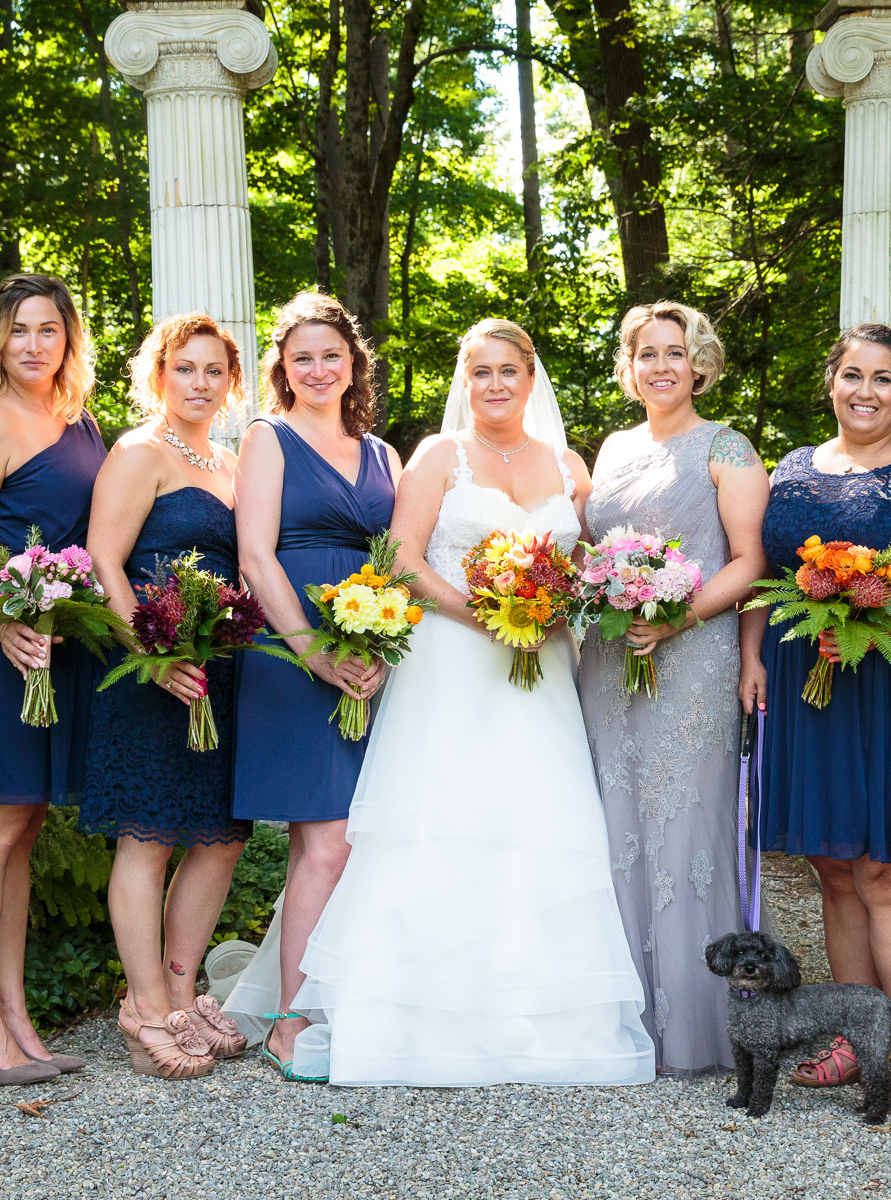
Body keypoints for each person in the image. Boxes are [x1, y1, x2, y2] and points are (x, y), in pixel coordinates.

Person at [288, 318, 654, 1087]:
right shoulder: (439, 456)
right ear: (466, 381)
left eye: (508, 371)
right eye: (480, 372)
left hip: (541, 665)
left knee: (535, 815)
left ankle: (540, 1013)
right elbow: (402, 557)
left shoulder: (568, 465)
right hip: (453, 662)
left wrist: (552, 607)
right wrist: (485, 614)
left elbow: (585, 564)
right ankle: (411, 1014)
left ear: (531, 376)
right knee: (444, 813)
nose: (494, 385)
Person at [737, 324, 891, 1121]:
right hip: (810, 682)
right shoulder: (792, 468)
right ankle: (853, 1037)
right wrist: (754, 656)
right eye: (852, 375)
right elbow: (766, 575)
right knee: (836, 869)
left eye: (883, 378)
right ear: (832, 381)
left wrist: (876, 616)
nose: (865, 391)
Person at [579, 301, 769, 1076]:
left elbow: (750, 560)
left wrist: (677, 619)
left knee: (688, 826)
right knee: (611, 820)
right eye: (646, 353)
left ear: (700, 364)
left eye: (675, 352)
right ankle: (619, 1019)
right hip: (611, 657)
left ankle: (699, 1025)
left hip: (692, 655)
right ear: (629, 368)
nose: (661, 365)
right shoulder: (613, 447)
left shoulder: (728, 447)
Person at [0, 274, 105, 1085]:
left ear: (69, 337)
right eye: (18, 331)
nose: (33, 345)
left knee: (26, 827)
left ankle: (14, 1012)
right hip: (3, 647)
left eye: (48, 329)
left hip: (58, 647)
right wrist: (1, 621)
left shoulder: (81, 422)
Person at [219, 294, 397, 1082]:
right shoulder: (270, 437)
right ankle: (293, 1023)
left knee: (349, 841)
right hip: (291, 652)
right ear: (283, 371)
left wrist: (386, 647)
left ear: (353, 362)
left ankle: (334, 997)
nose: (319, 369)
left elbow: (397, 560)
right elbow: (255, 557)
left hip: (372, 650)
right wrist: (313, 654)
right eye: (302, 359)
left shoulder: (386, 453)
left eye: (332, 355)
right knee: (325, 842)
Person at [81, 313, 254, 1080]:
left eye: (214, 371)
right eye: (185, 368)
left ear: (232, 382)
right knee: (148, 837)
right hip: (150, 672)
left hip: (221, 669)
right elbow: (104, 561)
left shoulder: (231, 461)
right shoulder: (138, 452)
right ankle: (143, 1007)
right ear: (159, 374)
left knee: (220, 835)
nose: (200, 383)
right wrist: (149, 653)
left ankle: (183, 995)